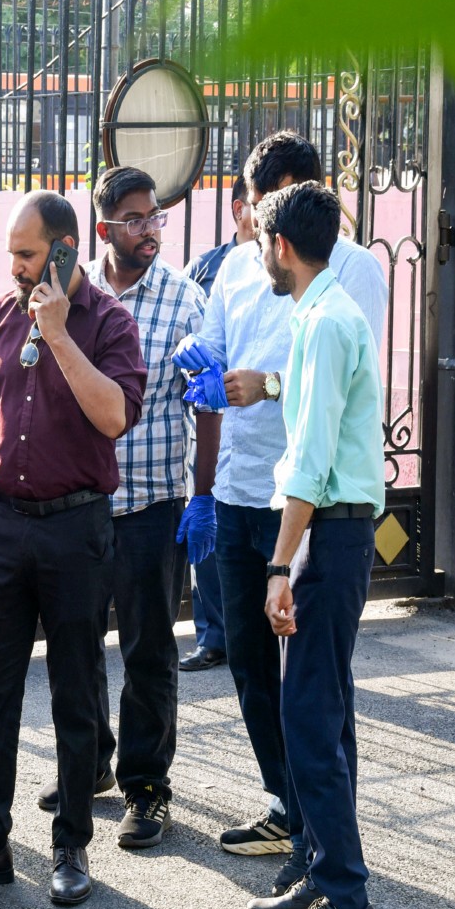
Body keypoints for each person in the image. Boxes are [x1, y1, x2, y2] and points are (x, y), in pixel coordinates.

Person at [171, 131, 386, 888]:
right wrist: (203, 368)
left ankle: (331, 850)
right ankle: (297, 823)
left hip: (309, 509)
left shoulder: (345, 288)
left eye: (262, 215)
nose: (250, 227)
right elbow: (219, 352)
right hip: (244, 491)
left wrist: (264, 384)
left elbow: (322, 417)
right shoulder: (241, 271)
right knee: (263, 680)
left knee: (318, 697)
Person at [0, 192, 147, 908]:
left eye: (28, 256)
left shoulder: (109, 323)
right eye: (14, 257)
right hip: (3, 524)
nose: (17, 270)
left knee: (75, 692)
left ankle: (71, 845)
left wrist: (58, 336)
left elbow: (114, 415)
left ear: (64, 249)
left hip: (74, 529)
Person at [38, 166, 218, 852]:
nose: (149, 231)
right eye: (135, 220)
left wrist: (200, 496)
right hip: (79, 504)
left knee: (147, 651)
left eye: (156, 219)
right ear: (102, 225)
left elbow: (204, 404)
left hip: (149, 503)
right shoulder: (68, 296)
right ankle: (92, 766)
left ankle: (148, 788)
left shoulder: (183, 301)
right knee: (77, 646)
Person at [242, 180, 385, 909]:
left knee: (308, 719)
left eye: (264, 243)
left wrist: (277, 565)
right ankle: (331, 874)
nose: (263, 255)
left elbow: (310, 461)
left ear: (283, 247)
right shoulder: (322, 314)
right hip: (331, 533)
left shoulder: (325, 324)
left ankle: (349, 903)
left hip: (328, 535)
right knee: (326, 713)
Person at [180, 175, 252, 673]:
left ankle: (251, 630)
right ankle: (212, 634)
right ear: (238, 209)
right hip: (207, 421)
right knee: (205, 521)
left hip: (257, 415)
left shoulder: (289, 271)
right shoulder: (208, 268)